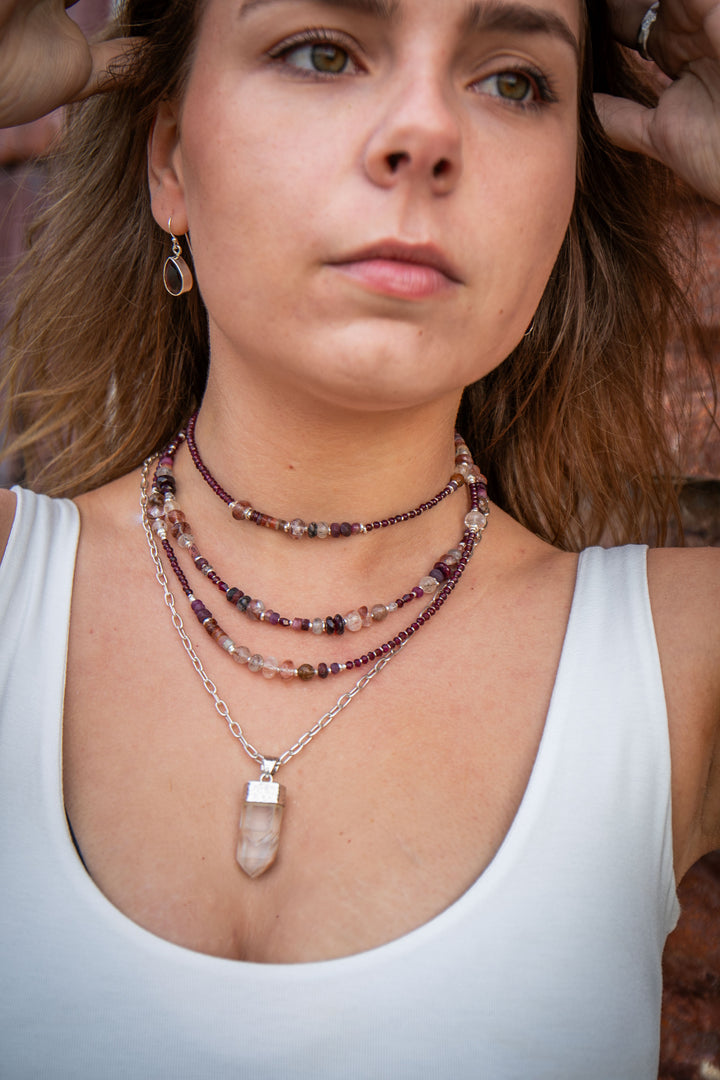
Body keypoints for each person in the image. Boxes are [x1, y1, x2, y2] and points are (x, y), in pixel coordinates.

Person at [0, 0, 718, 1076]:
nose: (424, 131)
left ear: (567, 196)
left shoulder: (682, 654)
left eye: (514, 80)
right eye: (321, 51)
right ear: (171, 164)